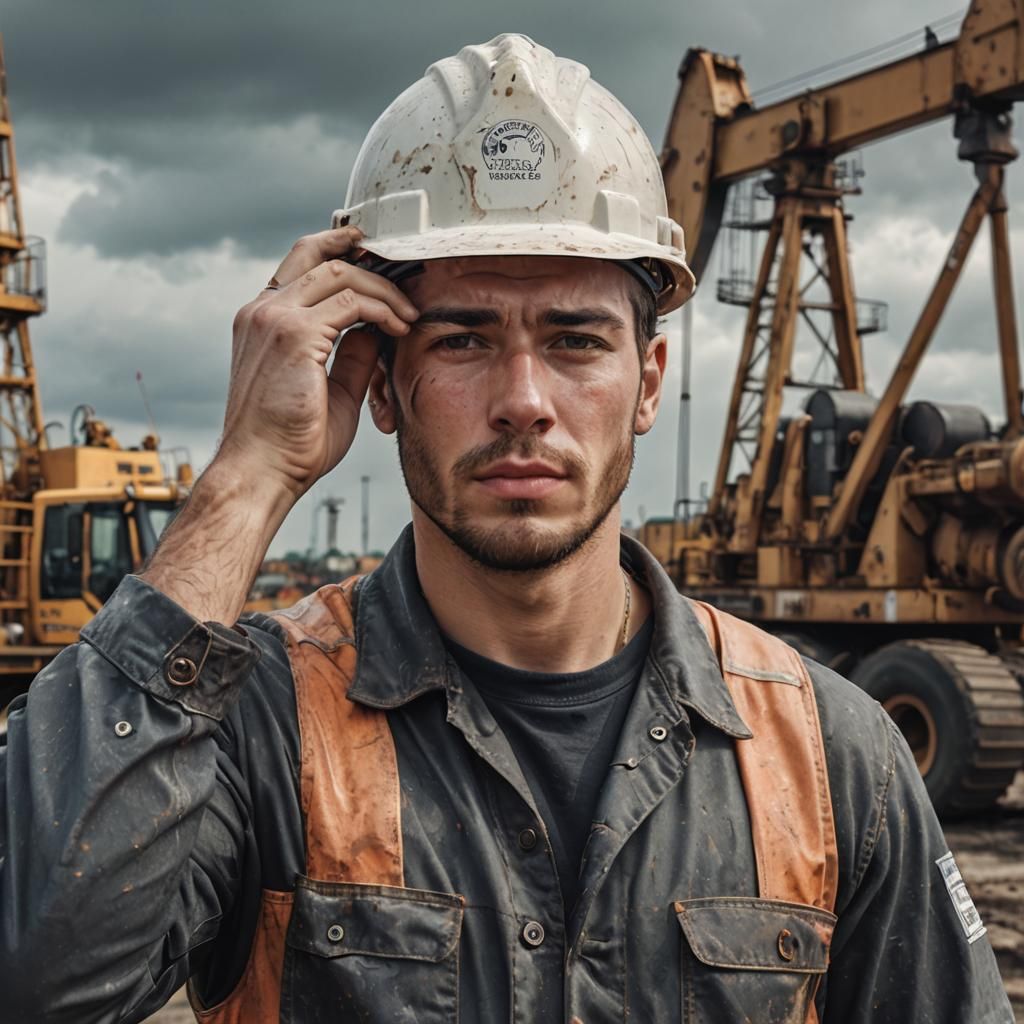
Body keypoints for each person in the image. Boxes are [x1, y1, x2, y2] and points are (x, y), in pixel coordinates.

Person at [0, 34, 1013, 1024]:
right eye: (464, 339)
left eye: (574, 339)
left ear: (648, 383)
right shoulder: (259, 727)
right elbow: (41, 978)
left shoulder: (829, 757)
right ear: (382, 383)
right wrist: (248, 476)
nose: (523, 398)